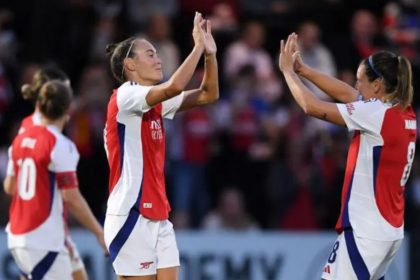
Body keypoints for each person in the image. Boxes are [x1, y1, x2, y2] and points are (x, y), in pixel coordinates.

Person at [279, 33, 416, 280]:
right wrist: (304, 70)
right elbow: (351, 97)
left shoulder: (376, 114)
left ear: (377, 85)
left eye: (360, 81)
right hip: (388, 231)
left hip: (366, 230)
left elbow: (313, 107)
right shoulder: (404, 113)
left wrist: (288, 72)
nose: (356, 87)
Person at [103, 12, 218, 280]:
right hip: (131, 214)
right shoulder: (126, 95)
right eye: (150, 54)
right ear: (130, 65)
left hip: (158, 215)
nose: (158, 59)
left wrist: (210, 55)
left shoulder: (153, 102)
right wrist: (197, 47)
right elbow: (175, 86)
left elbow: (208, 94)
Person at [3, 80, 107, 280]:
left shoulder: (20, 138)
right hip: (44, 238)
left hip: (19, 234)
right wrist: (99, 232)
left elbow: (10, 186)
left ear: (39, 106)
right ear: (68, 109)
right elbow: (72, 197)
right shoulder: (60, 144)